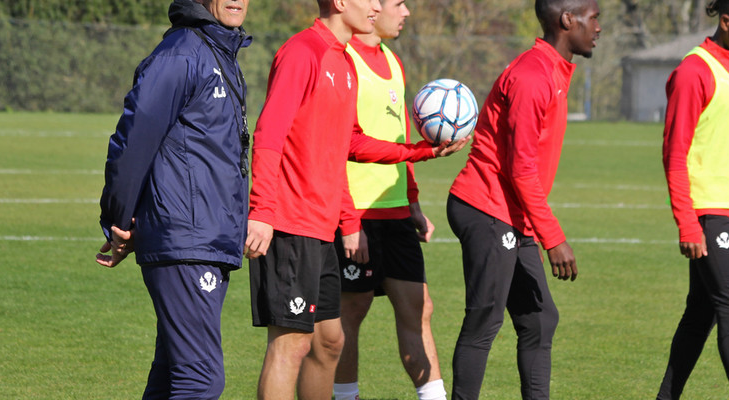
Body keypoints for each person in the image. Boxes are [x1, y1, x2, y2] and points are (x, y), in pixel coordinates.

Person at [242, 0, 469, 398]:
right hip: (290, 222)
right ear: (342, 1)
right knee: (291, 345)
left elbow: (349, 144)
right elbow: (269, 134)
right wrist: (261, 210)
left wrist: (422, 152)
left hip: (323, 225)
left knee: (330, 342)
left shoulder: (343, 62)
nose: (379, 6)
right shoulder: (301, 51)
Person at [94, 0, 251, 398]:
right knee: (201, 379)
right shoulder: (181, 53)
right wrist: (118, 221)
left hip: (207, 238)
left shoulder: (220, 51)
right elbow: (133, 141)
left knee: (171, 375)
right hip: (186, 239)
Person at [444, 0, 600, 398]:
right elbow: (520, 169)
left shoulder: (555, 70)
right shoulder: (534, 75)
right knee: (484, 321)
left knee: (539, 319)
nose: (598, 27)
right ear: (568, 20)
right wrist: (554, 238)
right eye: (593, 17)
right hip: (487, 206)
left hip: (511, 212)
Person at [331, 1, 446, 400]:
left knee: (419, 307)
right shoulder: (343, 61)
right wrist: (349, 223)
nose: (406, 12)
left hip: (396, 212)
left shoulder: (394, 62)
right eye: (398, 3)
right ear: (373, 8)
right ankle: (346, 396)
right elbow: (337, 149)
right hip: (357, 215)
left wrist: (412, 203)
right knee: (352, 311)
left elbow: (399, 143)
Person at [656, 0, 729, 399]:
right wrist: (687, 223)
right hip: (708, 215)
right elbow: (674, 153)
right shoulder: (695, 71)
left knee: (701, 314)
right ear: (725, 23)